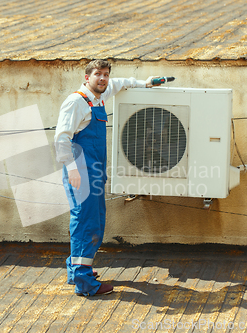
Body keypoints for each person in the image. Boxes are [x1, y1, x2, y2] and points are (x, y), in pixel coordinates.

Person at [54, 59, 158, 296]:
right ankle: (85, 284)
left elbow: (120, 84)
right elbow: (61, 138)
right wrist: (71, 170)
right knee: (86, 222)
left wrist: (145, 83)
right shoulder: (76, 102)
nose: (103, 79)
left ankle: (77, 271)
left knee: (95, 220)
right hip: (80, 173)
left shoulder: (98, 97)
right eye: (98, 74)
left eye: (105, 75)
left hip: (95, 173)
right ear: (86, 77)